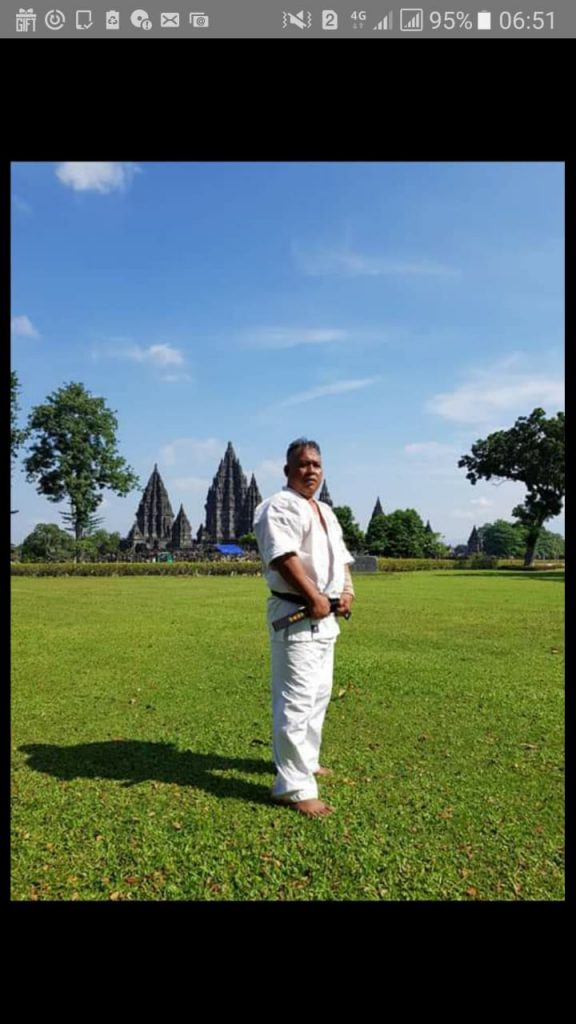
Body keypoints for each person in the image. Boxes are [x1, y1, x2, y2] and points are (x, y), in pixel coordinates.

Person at [253, 438, 355, 817]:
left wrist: (347, 591)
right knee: (295, 700)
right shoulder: (278, 506)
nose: (311, 470)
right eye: (303, 464)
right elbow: (282, 556)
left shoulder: (324, 510)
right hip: (296, 613)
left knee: (318, 695)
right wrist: (312, 595)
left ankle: (307, 761)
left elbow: (340, 558)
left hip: (325, 617)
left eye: (316, 464)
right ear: (288, 470)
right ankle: (294, 788)